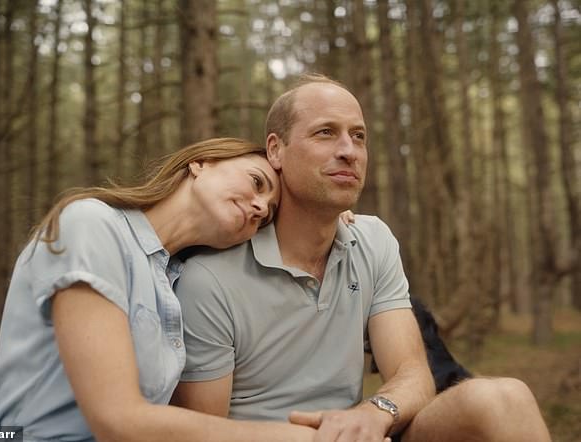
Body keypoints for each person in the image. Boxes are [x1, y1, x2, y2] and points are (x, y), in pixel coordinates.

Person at [171, 75, 552, 442]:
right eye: (325, 132)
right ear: (275, 149)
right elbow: (202, 433)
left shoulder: (373, 240)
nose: (348, 151)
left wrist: (371, 414)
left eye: (358, 136)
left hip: (363, 433)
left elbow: (413, 373)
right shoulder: (210, 275)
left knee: (505, 399)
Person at [0, 138, 318, 442]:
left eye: (268, 216)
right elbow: (116, 420)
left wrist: (325, 221)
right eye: (257, 182)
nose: (260, 208)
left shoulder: (178, 283)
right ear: (201, 163)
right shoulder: (92, 224)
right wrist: (299, 438)